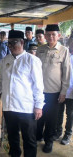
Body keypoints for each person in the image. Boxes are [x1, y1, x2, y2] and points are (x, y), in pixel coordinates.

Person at [0, 30, 44, 157]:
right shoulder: (5, 60)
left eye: (14, 43)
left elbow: (38, 86)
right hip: (9, 107)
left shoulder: (32, 60)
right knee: (13, 138)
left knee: (29, 140)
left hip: (26, 108)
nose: (11, 46)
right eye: (9, 44)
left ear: (22, 42)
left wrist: (39, 106)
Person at [36, 24, 71, 153]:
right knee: (39, 116)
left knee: (51, 119)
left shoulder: (64, 50)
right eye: (48, 34)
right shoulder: (40, 49)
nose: (50, 36)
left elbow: (66, 73)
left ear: (58, 35)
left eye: (53, 34)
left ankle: (48, 141)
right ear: (45, 35)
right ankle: (38, 136)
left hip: (54, 92)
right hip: (39, 91)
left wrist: (63, 92)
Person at [53, 36, 73, 145]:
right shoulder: (64, 53)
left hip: (71, 91)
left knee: (70, 114)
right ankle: (58, 132)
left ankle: (67, 134)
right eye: (72, 41)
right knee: (59, 112)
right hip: (60, 89)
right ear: (69, 41)